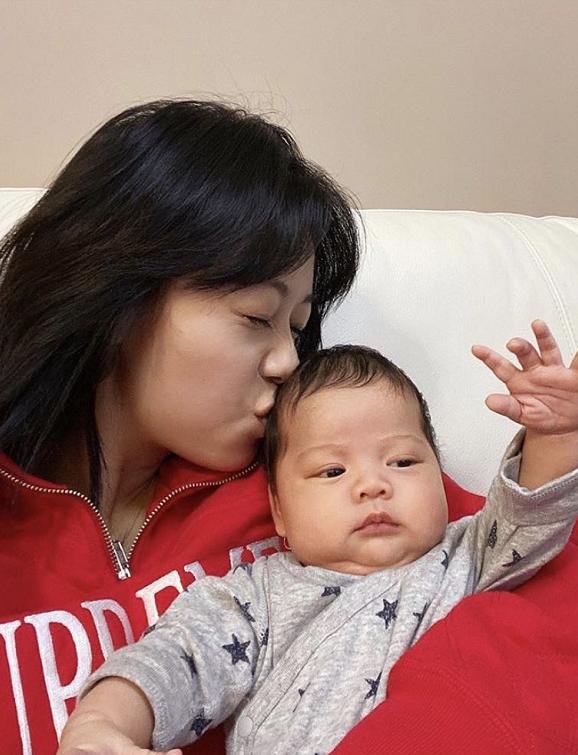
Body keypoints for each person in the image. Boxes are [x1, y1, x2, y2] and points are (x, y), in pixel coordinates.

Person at [0, 99, 360, 755]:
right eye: (258, 316)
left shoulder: (320, 477)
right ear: (118, 297)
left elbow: (528, 569)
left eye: (297, 327)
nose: (288, 361)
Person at [57, 321, 578, 755]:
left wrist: (556, 434)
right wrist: (102, 723)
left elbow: (535, 512)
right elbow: (179, 658)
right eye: (332, 471)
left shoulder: (471, 552)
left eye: (403, 461)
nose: (373, 484)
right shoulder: (254, 597)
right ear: (279, 510)